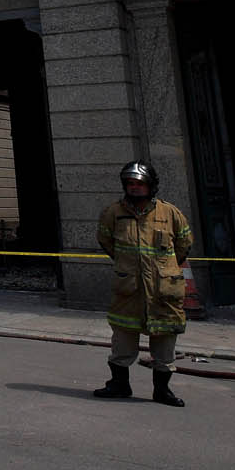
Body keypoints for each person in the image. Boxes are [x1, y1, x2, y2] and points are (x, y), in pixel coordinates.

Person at [94, 160, 193, 406]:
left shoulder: (170, 213)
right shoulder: (113, 213)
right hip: (129, 293)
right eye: (129, 183)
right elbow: (106, 242)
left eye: (139, 183)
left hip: (163, 293)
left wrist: (164, 270)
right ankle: (119, 385)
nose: (134, 187)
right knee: (122, 342)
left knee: (165, 343)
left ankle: (162, 391)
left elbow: (184, 244)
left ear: (151, 185)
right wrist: (128, 267)